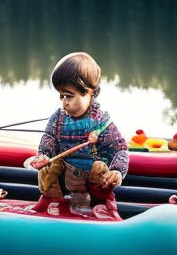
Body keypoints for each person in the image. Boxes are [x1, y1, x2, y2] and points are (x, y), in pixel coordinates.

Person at [29, 52, 128, 217]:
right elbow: (49, 137)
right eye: (61, 96)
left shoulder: (100, 121)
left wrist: (117, 171)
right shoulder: (59, 117)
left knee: (99, 168)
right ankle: (54, 200)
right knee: (49, 168)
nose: (64, 102)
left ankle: (100, 204)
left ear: (88, 92)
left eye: (69, 96)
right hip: (67, 175)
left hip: (92, 179)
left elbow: (120, 148)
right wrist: (44, 154)